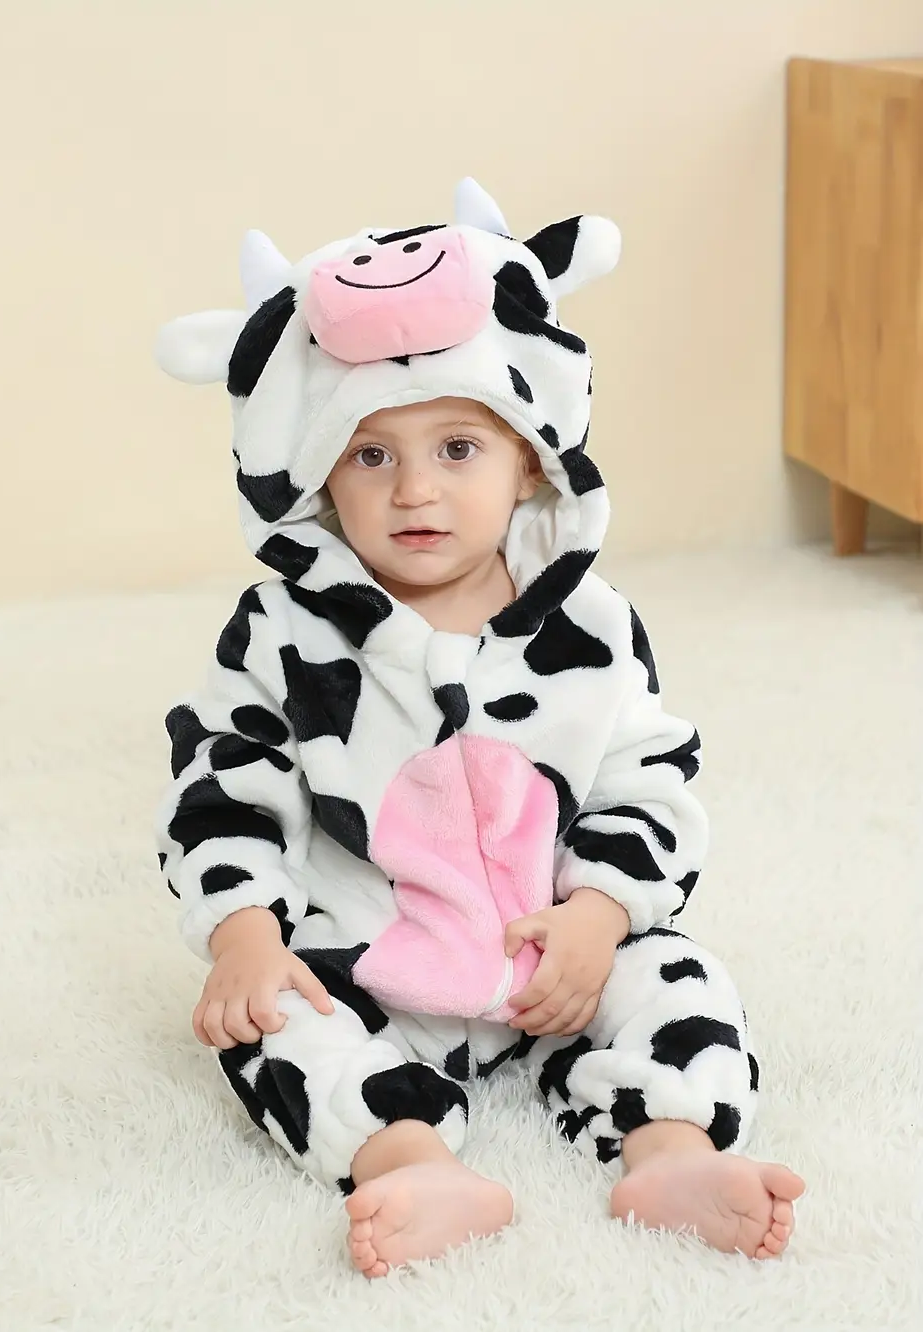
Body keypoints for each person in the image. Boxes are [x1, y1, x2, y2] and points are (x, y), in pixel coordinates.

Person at [153, 178, 804, 1278]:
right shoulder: (283, 631)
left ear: (530, 461)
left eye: (458, 448)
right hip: (371, 960)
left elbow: (647, 780)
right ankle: (408, 1159)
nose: (415, 490)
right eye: (370, 455)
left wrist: (599, 914)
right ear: (317, 475)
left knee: (678, 977)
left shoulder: (589, 627)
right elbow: (223, 784)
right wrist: (244, 934)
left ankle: (671, 1151)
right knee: (273, 1024)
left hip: (560, 962)